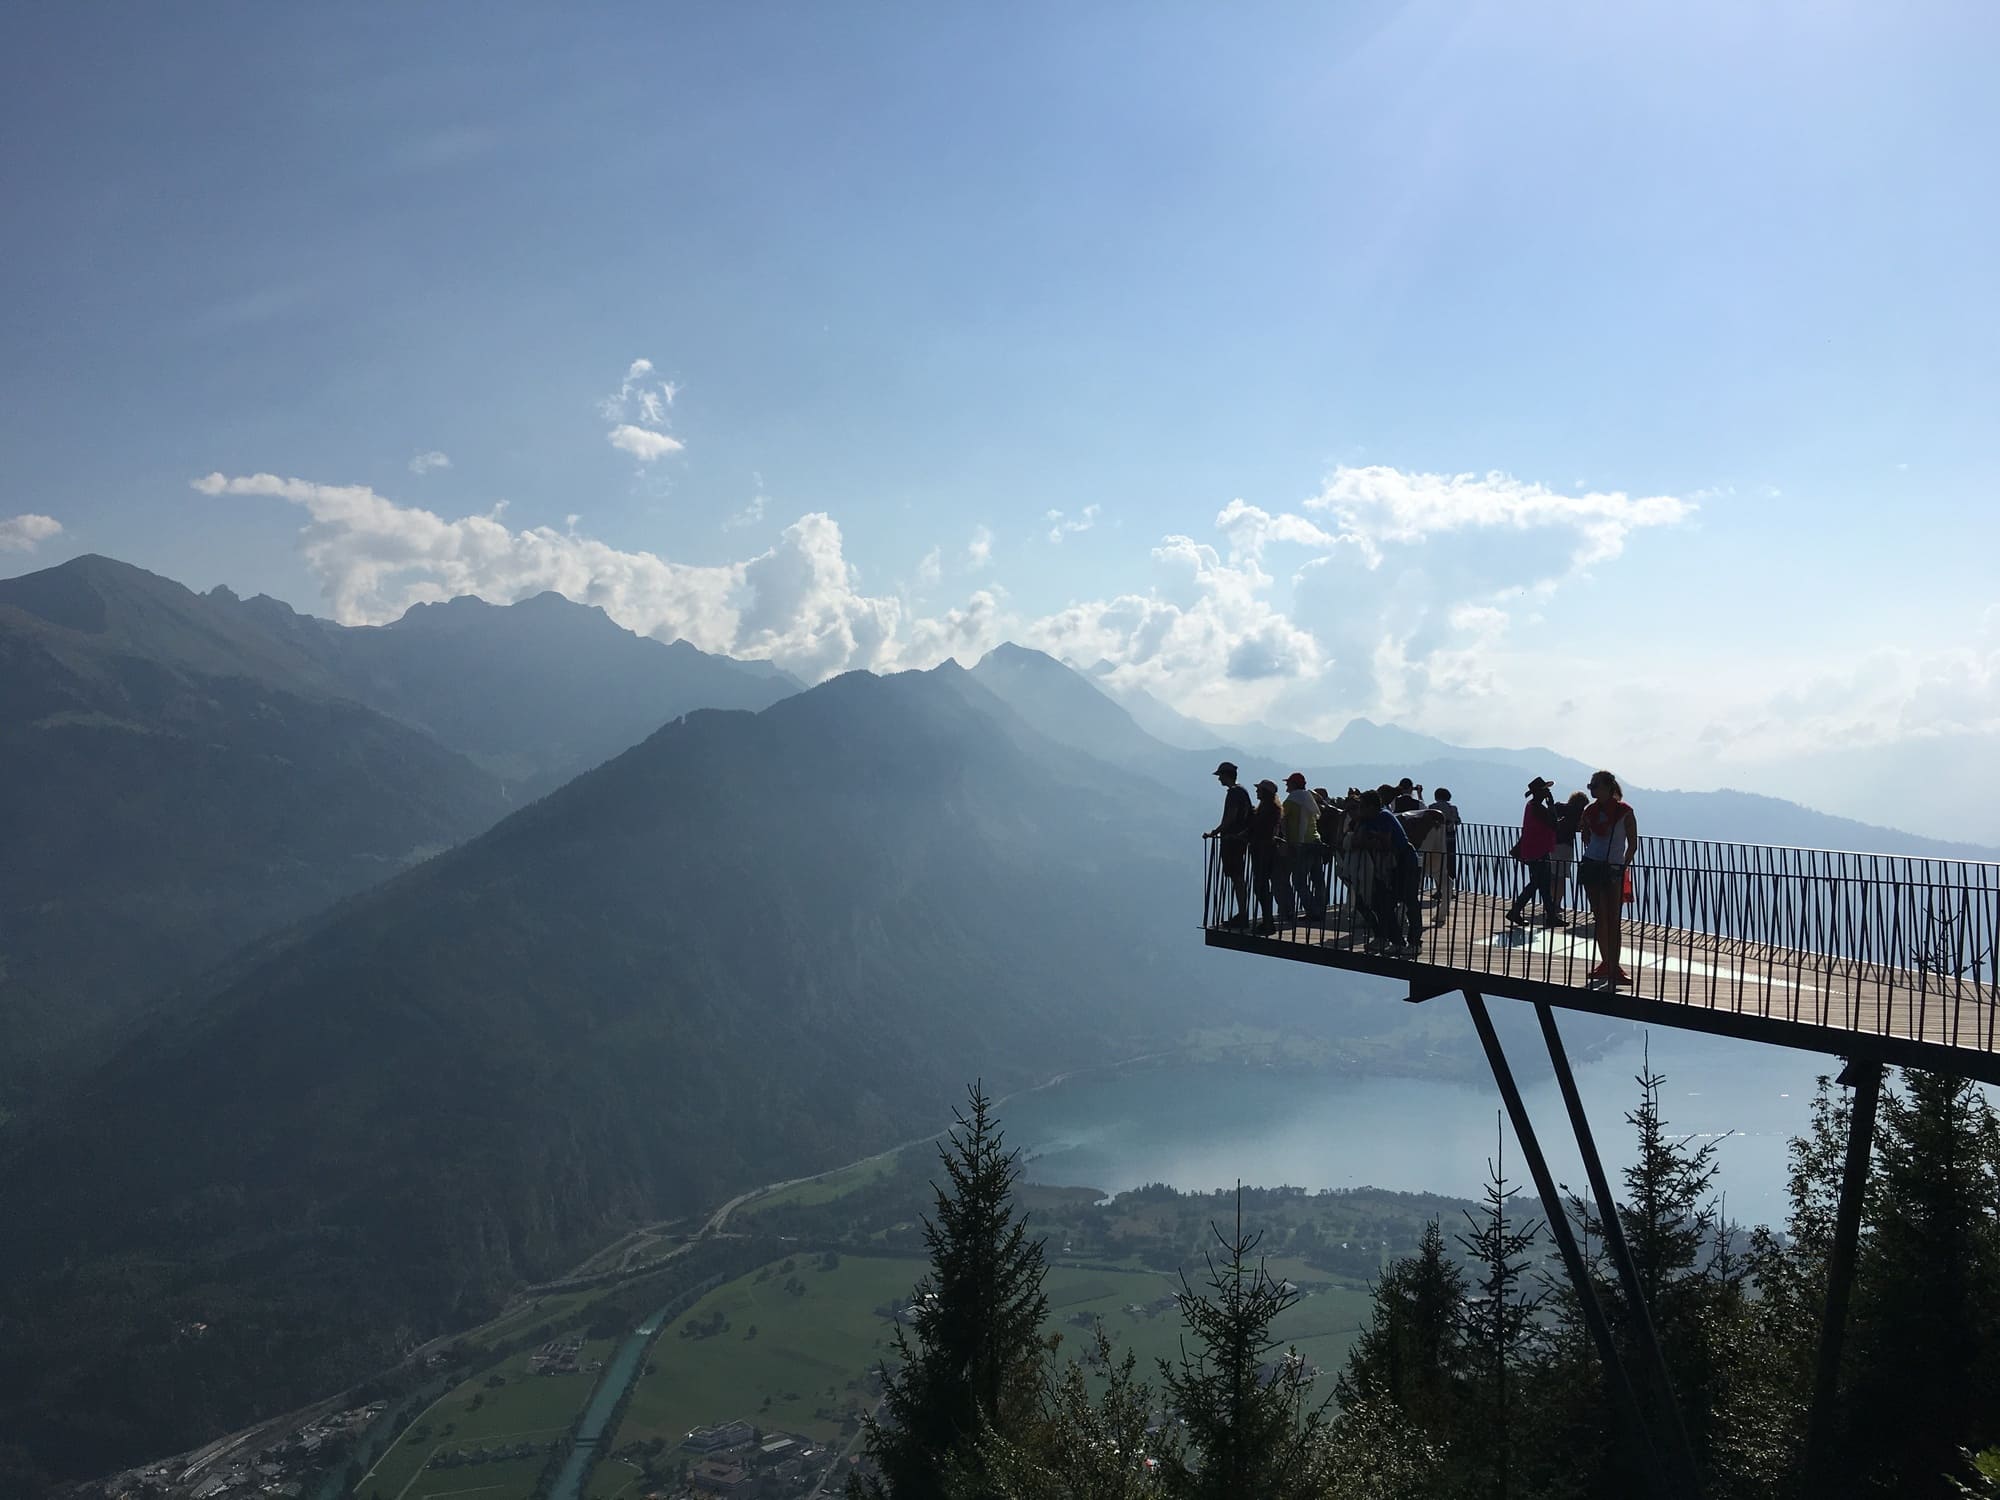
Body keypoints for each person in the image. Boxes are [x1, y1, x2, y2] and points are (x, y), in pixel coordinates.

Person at [1579, 770, 1639, 985]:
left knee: (1612, 919)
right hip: (1597, 866)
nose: (1591, 789)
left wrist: (1623, 866)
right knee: (1602, 917)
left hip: (1609, 868)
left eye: (1595, 786)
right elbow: (1630, 844)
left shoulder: (1623, 812)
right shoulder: (1593, 811)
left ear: (1607, 787)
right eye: (1591, 786)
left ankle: (1612, 965)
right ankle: (1608, 964)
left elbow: (1632, 844)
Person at [1351, 789, 1423, 956]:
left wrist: (1370, 840)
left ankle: (1414, 943)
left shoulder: (1384, 816)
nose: (1359, 810)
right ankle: (1393, 940)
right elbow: (1356, 841)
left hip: (1405, 860)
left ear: (1371, 807)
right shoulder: (1368, 820)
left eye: (1362, 807)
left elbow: (1385, 843)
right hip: (1388, 864)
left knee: (1410, 900)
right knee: (1381, 902)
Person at [1505, 777, 1560, 929]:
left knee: (1542, 884)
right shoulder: (1538, 808)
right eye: (1546, 790)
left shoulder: (1531, 805)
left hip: (1532, 849)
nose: (1548, 792)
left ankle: (1551, 916)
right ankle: (1515, 911)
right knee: (1538, 883)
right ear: (1540, 792)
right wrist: (1551, 804)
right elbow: (1553, 824)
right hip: (1538, 850)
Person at [1204, 761, 1252, 928]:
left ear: (1227, 776)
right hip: (1239, 839)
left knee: (1237, 877)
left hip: (1232, 841)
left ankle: (1242, 914)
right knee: (1238, 877)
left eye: (1220, 776)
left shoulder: (1233, 793)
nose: (1219, 779)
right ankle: (1242, 912)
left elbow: (1230, 817)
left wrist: (1215, 832)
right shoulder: (1242, 791)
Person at [1282, 773, 1325, 922]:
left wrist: (1287, 842)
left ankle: (1312, 910)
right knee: (1318, 879)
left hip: (1301, 844)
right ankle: (1320, 909)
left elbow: (1282, 819)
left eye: (1288, 783)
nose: (1286, 786)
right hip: (1315, 841)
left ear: (1294, 784)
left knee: (1299, 880)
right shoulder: (1308, 798)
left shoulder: (1292, 800)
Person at [1249, 779, 1287, 935]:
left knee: (1261, 886)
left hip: (1263, 850)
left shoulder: (1268, 809)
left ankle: (1268, 922)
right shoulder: (1270, 808)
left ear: (1265, 793)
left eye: (1259, 790)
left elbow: (1261, 828)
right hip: (1265, 849)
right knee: (1261, 886)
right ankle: (1267, 920)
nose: (1257, 792)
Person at [1549, 790, 1588, 922]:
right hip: (1565, 846)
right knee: (1561, 877)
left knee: (1553, 875)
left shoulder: (1560, 807)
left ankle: (1550, 902)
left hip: (1553, 844)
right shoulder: (1578, 813)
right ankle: (1557, 904)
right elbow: (1579, 827)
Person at [1425, 787, 1462, 923]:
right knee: (1449, 862)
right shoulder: (1453, 808)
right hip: (1450, 837)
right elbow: (1458, 821)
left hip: (1435, 839)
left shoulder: (1432, 807)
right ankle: (1449, 890)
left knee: (1436, 864)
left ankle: (1439, 889)